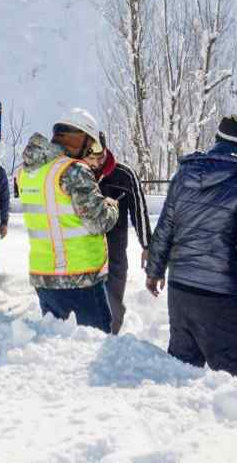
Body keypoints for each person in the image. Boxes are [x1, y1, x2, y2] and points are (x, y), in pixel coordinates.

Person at [145, 115, 237, 377]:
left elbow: (167, 224)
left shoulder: (184, 173)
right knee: (236, 383)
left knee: (182, 374)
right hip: (220, 296)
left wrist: (155, 269)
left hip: (181, 291)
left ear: (217, 139)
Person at [20, 110, 119, 332]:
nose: (89, 152)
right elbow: (98, 221)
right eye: (90, 145)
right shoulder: (73, 171)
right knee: (94, 344)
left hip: (44, 276)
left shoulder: (28, 172)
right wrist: (111, 207)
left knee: (60, 348)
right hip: (79, 278)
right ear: (79, 138)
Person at [93, 139, 149, 335]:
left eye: (100, 156)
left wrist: (147, 245)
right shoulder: (79, 174)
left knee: (113, 306)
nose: (96, 163)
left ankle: (111, 339)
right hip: (84, 252)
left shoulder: (123, 175)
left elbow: (139, 211)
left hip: (115, 253)